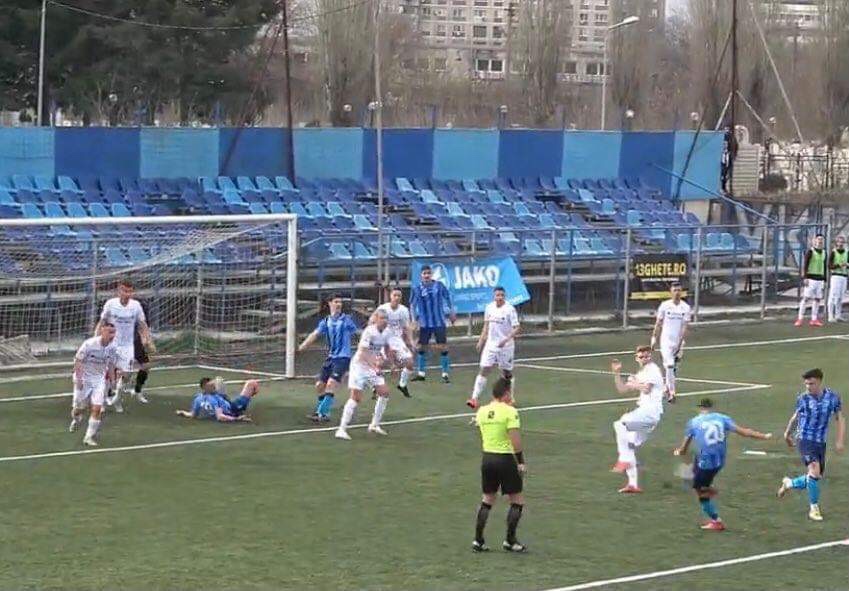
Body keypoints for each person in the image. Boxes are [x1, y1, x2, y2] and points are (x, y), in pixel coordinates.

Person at [673, 398, 772, 531]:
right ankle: (707, 487)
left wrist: (679, 451)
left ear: (699, 408)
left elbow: (685, 447)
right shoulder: (722, 418)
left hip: (707, 463)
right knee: (695, 468)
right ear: (711, 408)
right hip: (719, 460)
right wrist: (763, 436)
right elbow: (744, 432)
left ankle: (716, 521)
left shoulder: (694, 422)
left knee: (699, 491)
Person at [777, 368, 844, 521]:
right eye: (806, 384)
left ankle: (789, 484)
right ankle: (814, 509)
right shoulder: (803, 398)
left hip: (820, 441)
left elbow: (840, 419)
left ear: (819, 382)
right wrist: (787, 434)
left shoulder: (833, 397)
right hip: (805, 439)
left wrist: (840, 440)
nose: (808, 387)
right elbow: (796, 417)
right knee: (814, 470)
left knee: (815, 476)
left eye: (811, 384)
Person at [472, 377, 526, 553]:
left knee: (487, 500)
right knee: (517, 500)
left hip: (487, 458)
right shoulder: (510, 412)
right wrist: (521, 461)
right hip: (505, 459)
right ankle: (510, 540)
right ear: (506, 393)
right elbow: (515, 440)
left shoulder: (482, 411)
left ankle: (478, 540)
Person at [609, 346, 666, 493]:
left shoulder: (653, 370)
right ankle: (632, 484)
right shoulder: (640, 374)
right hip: (646, 417)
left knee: (620, 425)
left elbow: (646, 389)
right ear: (636, 358)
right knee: (629, 445)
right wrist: (617, 373)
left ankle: (623, 460)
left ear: (650, 357)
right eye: (641, 357)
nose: (644, 359)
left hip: (649, 414)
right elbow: (622, 389)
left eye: (647, 356)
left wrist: (634, 383)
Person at [298, 294, 359, 422]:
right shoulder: (326, 322)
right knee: (319, 385)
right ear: (329, 303)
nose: (339, 304)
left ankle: (322, 413)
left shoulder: (346, 320)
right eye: (336, 302)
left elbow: (357, 334)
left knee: (331, 384)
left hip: (343, 358)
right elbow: (315, 334)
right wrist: (302, 346)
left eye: (340, 302)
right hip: (331, 358)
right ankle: (323, 412)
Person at [96, 278, 154, 412]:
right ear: (119, 291)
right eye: (125, 291)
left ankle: (117, 398)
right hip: (112, 343)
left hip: (127, 346)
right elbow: (102, 322)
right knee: (107, 373)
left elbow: (142, 324)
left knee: (127, 375)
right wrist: (96, 338)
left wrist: (147, 339)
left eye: (130, 292)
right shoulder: (110, 304)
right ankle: (102, 401)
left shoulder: (136, 306)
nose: (127, 294)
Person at [335, 309, 392, 441]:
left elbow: (387, 348)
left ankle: (374, 425)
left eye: (386, 318)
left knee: (384, 393)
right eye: (382, 318)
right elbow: (362, 353)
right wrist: (375, 366)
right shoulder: (369, 332)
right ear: (376, 319)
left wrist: (388, 361)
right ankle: (341, 429)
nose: (384, 321)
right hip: (359, 367)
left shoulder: (387, 332)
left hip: (372, 367)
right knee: (356, 397)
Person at [468, 287, 520, 410]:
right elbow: (486, 326)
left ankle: (510, 398)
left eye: (502, 295)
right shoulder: (489, 308)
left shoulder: (510, 309)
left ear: (505, 296)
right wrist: (481, 340)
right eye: (497, 295)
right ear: (494, 296)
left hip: (506, 346)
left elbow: (517, 328)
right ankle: (474, 398)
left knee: (506, 372)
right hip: (491, 345)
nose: (499, 297)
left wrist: (506, 340)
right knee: (484, 369)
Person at [70, 322, 119, 447]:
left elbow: (111, 365)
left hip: (99, 380)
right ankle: (76, 419)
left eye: (113, 332)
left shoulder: (113, 348)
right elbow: (78, 361)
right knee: (79, 408)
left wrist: (113, 382)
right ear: (102, 331)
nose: (112, 335)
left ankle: (88, 437)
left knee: (97, 409)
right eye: (109, 332)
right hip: (84, 378)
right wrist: (79, 379)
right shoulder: (89, 344)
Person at [410, 265, 456, 383]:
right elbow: (412, 305)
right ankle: (421, 373)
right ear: (421, 275)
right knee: (422, 347)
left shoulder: (439, 286)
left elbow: (448, 298)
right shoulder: (417, 289)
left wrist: (452, 312)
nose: (426, 275)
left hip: (439, 322)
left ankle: (445, 374)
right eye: (424, 273)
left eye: (428, 273)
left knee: (443, 346)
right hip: (425, 323)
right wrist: (414, 319)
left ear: (431, 274)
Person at [651, 282, 691, 403]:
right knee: (669, 365)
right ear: (671, 292)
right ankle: (672, 393)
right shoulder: (665, 306)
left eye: (679, 290)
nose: (677, 293)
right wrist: (654, 338)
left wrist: (680, 342)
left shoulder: (685, 307)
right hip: (666, 341)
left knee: (673, 368)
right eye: (675, 290)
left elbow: (685, 326)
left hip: (678, 342)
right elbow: (658, 323)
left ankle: (666, 387)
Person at [377, 288, 415, 398]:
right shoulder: (383, 308)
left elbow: (406, 327)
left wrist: (411, 341)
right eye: (395, 295)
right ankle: (376, 387)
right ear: (391, 296)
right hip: (383, 338)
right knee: (379, 364)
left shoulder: (404, 310)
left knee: (410, 362)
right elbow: (374, 322)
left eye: (399, 296)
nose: (397, 298)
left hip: (397, 340)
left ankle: (402, 384)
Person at [175, 377, 259, 422]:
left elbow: (192, 414)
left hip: (222, 401)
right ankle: (246, 400)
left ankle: (246, 397)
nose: (214, 387)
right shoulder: (213, 399)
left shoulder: (198, 398)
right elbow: (220, 417)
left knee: (219, 380)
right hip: (234, 408)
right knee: (252, 383)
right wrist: (237, 419)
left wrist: (182, 412)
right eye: (212, 385)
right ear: (205, 387)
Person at [795, 234, 827, 327]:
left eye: (821, 240)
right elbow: (805, 265)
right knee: (806, 298)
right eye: (818, 239)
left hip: (820, 279)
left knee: (817, 299)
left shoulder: (824, 252)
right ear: (814, 241)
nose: (820, 241)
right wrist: (805, 277)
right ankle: (800, 318)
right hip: (811, 278)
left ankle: (814, 318)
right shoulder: (810, 251)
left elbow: (824, 267)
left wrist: (825, 280)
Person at [827, 235, 847, 322]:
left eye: (842, 242)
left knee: (840, 297)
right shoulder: (833, 252)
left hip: (844, 276)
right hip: (836, 276)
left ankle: (838, 315)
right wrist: (838, 265)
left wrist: (847, 265)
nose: (841, 244)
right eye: (839, 242)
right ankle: (830, 315)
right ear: (837, 243)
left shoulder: (847, 252)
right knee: (833, 296)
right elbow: (829, 266)